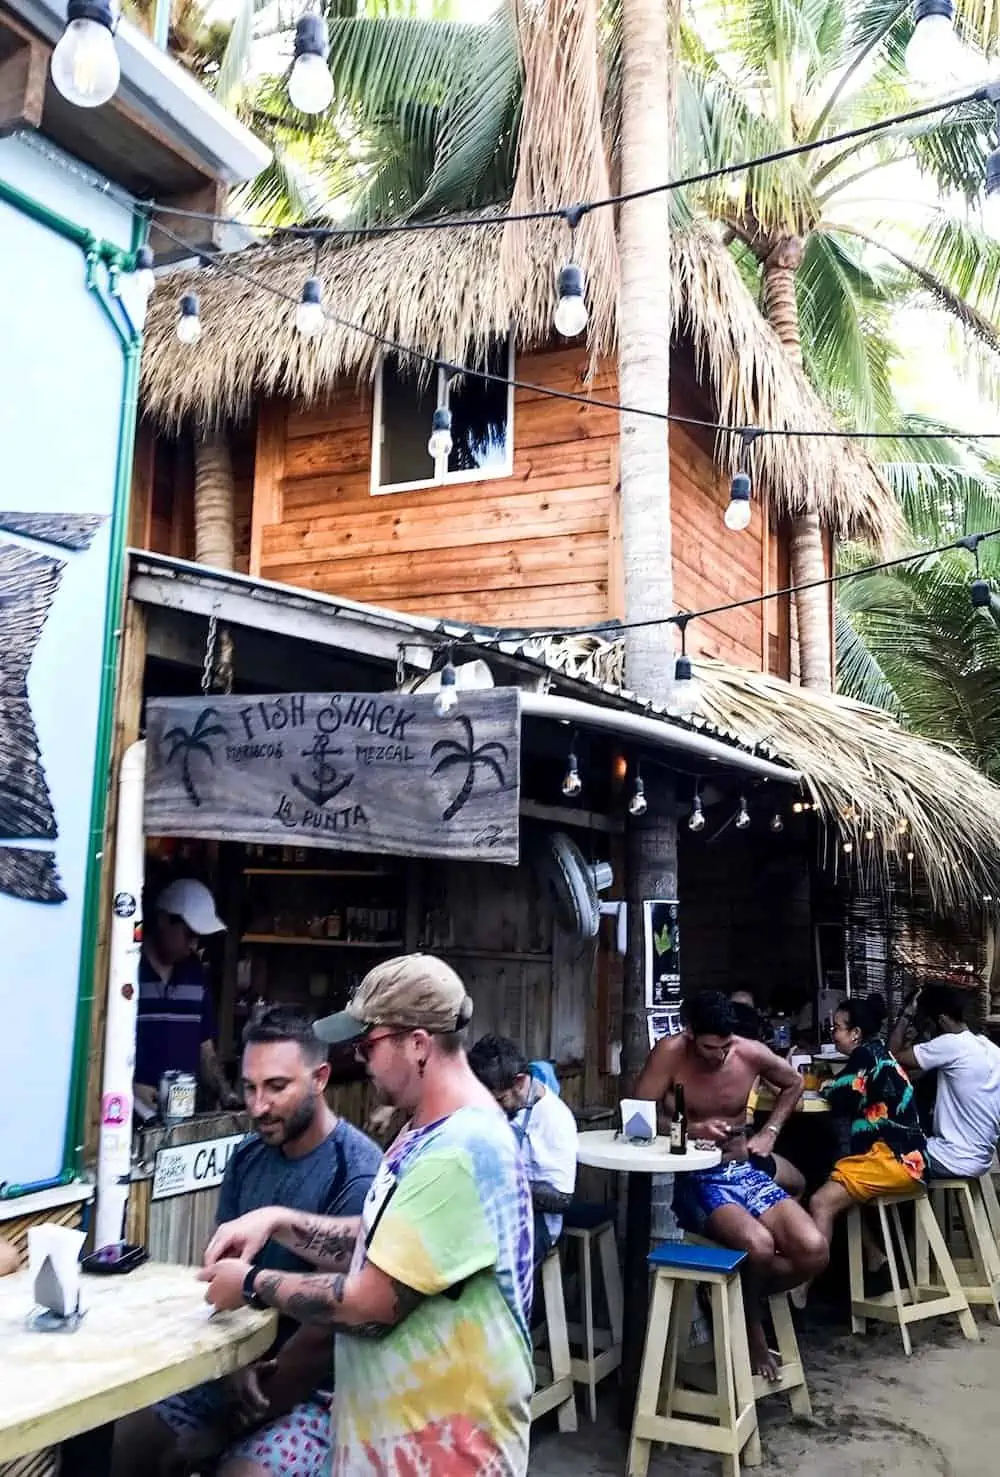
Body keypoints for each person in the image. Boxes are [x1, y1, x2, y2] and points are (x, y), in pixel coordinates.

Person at [198, 954, 535, 1477]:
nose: (362, 1060)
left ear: (419, 1044)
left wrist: (252, 1282)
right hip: (404, 1440)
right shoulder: (425, 1130)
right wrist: (279, 1221)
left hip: (444, 1452)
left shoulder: (458, 1151)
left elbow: (372, 1304)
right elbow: (392, 1241)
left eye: (368, 1045)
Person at [113, 1005, 381, 1477]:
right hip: (231, 1366)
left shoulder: (356, 1173)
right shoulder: (248, 1156)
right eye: (250, 1087)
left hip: (316, 1388)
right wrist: (230, 1362)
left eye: (277, 1087)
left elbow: (325, 1331)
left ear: (320, 1078)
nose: (258, 1106)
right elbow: (224, 1271)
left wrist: (225, 1428)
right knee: (118, 1446)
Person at [635, 991, 828, 1378]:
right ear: (691, 1034)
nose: (719, 1056)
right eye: (710, 1047)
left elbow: (792, 1084)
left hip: (741, 1170)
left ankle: (738, 1298)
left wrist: (771, 1131)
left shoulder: (748, 1052)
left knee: (814, 1250)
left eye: (725, 1047)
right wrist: (689, 1130)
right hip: (693, 1176)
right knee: (758, 1247)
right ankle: (753, 1330)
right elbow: (635, 1117)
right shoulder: (671, 1053)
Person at [808, 996, 927, 1261]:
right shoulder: (878, 1053)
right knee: (840, 1183)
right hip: (908, 1157)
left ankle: (803, 1285)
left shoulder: (865, 1056)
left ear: (855, 1033)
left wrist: (822, 1084)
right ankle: (874, 1256)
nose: (833, 1034)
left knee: (821, 1201)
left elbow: (840, 1092)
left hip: (893, 1159)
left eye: (837, 1028)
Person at [468, 1034, 578, 1265]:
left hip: (533, 1223)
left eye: (500, 1100)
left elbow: (562, 1198)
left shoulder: (554, 1119)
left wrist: (503, 1183)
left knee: (485, 1266)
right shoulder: (493, 1102)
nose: (493, 1108)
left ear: (519, 1082)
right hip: (487, 1211)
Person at [134, 877, 237, 1113]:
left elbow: (205, 1048)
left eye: (198, 937)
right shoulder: (129, 970)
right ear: (163, 921)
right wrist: (129, 1086)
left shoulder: (195, 973)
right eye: (189, 934)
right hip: (131, 1113)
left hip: (182, 1110)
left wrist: (226, 1093)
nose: (194, 944)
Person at [890, 982, 1000, 1179]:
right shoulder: (991, 1050)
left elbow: (893, 1055)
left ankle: (898, 1207)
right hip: (981, 1158)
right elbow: (916, 1073)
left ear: (940, 1021)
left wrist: (906, 1014)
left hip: (952, 1158)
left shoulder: (951, 1045)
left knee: (882, 1149)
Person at [726, 990, 806, 1201]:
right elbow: (797, 1102)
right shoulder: (754, 1056)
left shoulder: (705, 1056)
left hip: (720, 1148)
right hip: (742, 1148)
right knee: (798, 1185)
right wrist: (770, 1131)